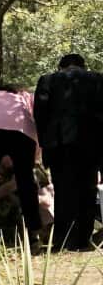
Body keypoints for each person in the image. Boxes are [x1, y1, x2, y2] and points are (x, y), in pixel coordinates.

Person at [34, 54, 103, 250]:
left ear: (61, 66)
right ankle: (83, 238)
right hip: (91, 144)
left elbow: (40, 113)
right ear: (83, 66)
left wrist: (44, 142)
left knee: (63, 191)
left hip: (58, 145)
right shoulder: (97, 79)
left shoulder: (47, 80)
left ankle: (64, 239)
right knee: (88, 189)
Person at [0, 83, 41, 234]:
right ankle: (34, 229)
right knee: (26, 182)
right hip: (23, 133)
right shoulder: (25, 96)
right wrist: (36, 154)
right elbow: (36, 120)